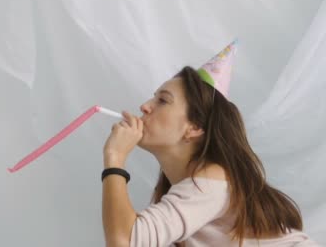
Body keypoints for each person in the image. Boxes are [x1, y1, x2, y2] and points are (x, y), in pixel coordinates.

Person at [102, 40, 318, 246]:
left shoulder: (211, 180)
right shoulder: (185, 188)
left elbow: (127, 241)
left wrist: (115, 158)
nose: (145, 106)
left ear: (194, 127)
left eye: (163, 100)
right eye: (153, 97)